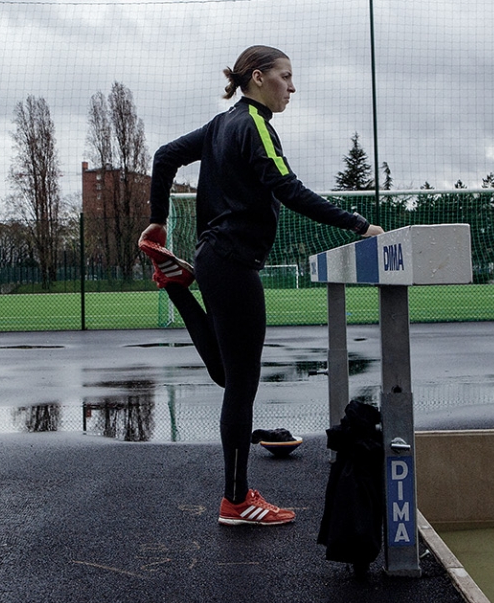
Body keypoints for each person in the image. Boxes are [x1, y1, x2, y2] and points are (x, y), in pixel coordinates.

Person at [140, 44, 384, 527]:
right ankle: (235, 500)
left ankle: (177, 286)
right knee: (241, 382)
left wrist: (158, 222)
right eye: (285, 76)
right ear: (257, 78)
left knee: (229, 375)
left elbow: (165, 157)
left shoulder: (218, 125)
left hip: (214, 259)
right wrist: (359, 225)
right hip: (232, 263)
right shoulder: (253, 124)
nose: (292, 87)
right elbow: (288, 189)